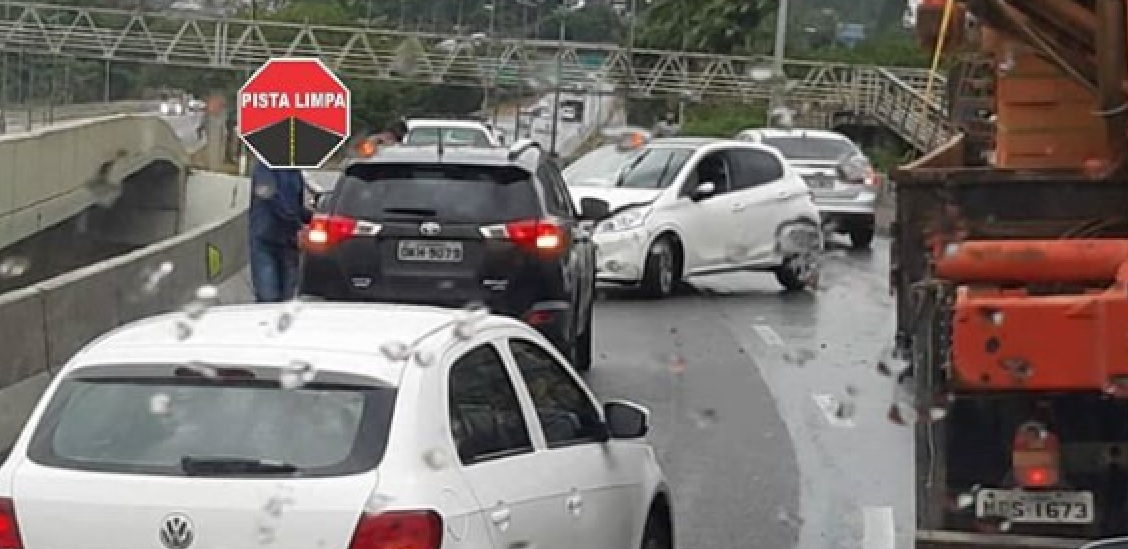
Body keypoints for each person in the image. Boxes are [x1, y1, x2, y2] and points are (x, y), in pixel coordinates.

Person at [249, 161, 309, 303]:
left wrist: (315, 216)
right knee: (268, 297)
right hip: (266, 240)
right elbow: (272, 198)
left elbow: (296, 206)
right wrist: (298, 224)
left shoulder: (295, 171)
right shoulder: (264, 167)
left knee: (288, 298)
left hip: (289, 242)